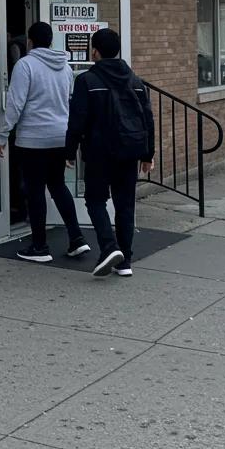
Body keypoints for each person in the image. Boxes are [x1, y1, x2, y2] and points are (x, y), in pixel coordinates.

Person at [0, 21, 90, 263]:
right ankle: (77, 239)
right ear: (50, 41)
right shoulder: (65, 67)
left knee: (35, 190)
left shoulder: (25, 65)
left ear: (29, 42)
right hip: (60, 136)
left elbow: (15, 104)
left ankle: (40, 247)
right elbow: (68, 101)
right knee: (58, 186)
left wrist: (3, 135)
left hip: (33, 139)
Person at [66, 28, 154, 278]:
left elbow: (77, 119)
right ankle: (124, 261)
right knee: (125, 205)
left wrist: (70, 151)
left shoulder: (86, 81)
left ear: (95, 51)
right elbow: (148, 119)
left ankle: (109, 246)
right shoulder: (135, 81)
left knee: (95, 200)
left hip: (99, 151)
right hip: (130, 150)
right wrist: (148, 154)